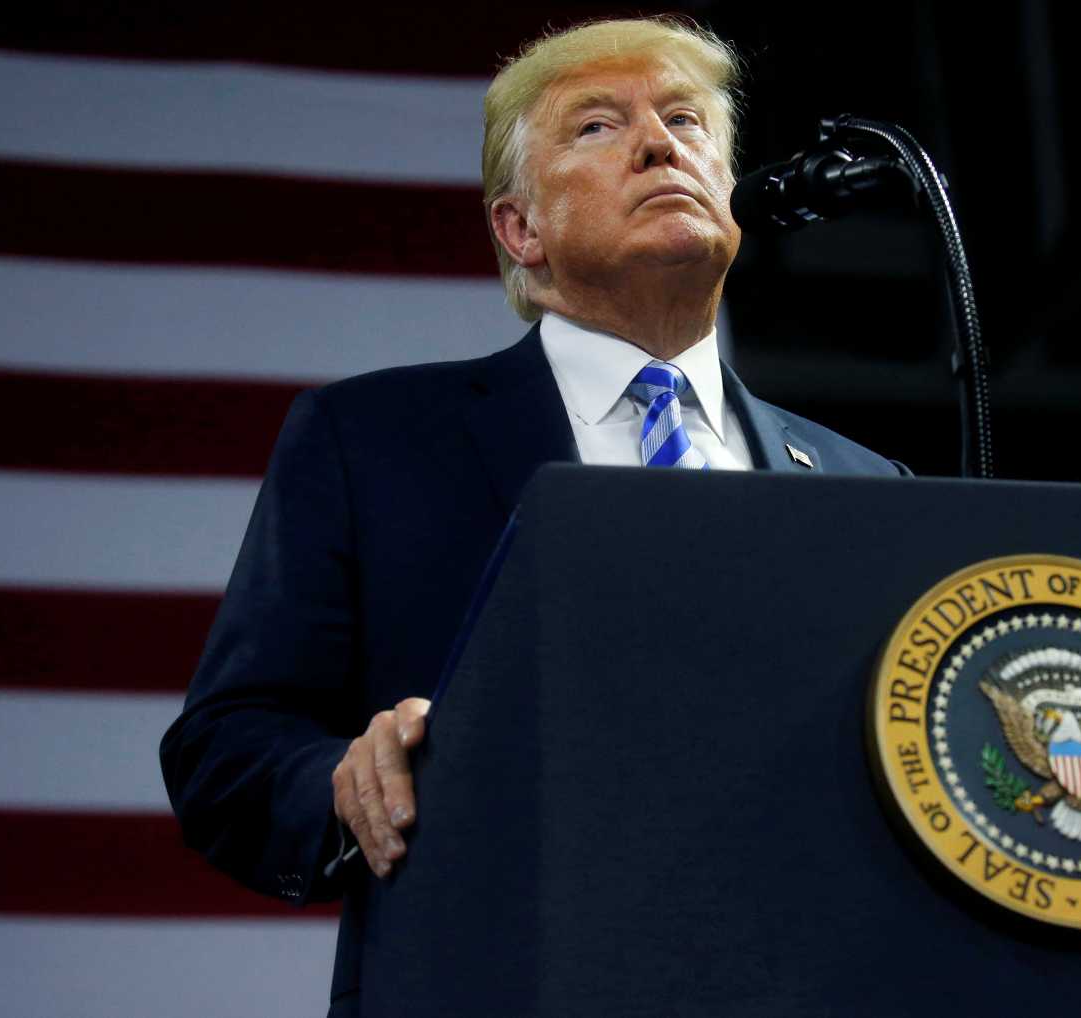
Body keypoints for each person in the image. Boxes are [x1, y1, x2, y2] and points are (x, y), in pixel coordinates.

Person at [160, 16, 907, 1014]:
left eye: (686, 120)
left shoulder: (868, 488)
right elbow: (226, 749)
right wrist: (345, 775)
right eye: (599, 126)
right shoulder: (373, 440)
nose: (660, 144)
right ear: (522, 229)